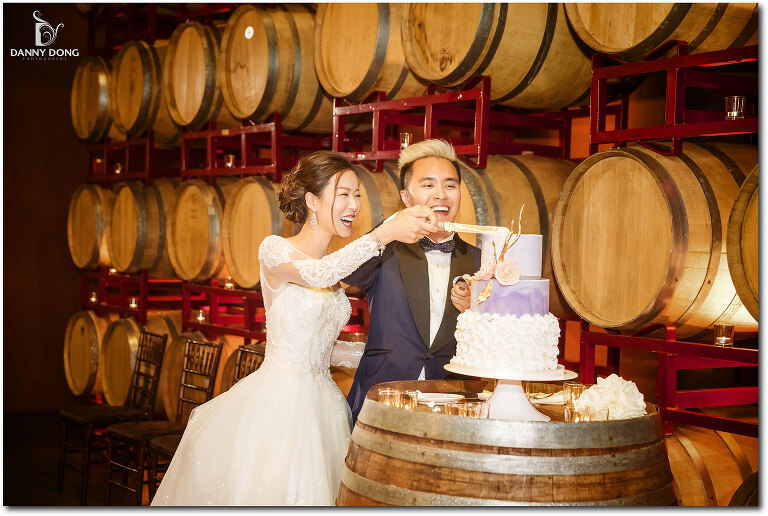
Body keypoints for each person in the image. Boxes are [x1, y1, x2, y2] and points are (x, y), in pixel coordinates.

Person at [151, 151, 439, 506]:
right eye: (344, 194)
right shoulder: (276, 251)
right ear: (313, 201)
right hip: (279, 404)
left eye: (357, 195)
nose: (354, 205)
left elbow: (320, 347)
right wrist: (383, 234)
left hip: (325, 407)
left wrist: (380, 354)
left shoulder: (332, 270)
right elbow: (317, 274)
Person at [344, 139, 480, 423]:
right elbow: (349, 275)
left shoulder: (481, 262)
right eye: (428, 185)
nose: (441, 194)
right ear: (406, 198)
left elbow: (497, 341)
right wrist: (389, 228)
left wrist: (477, 311)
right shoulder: (385, 249)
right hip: (382, 393)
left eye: (450, 185)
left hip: (452, 403)